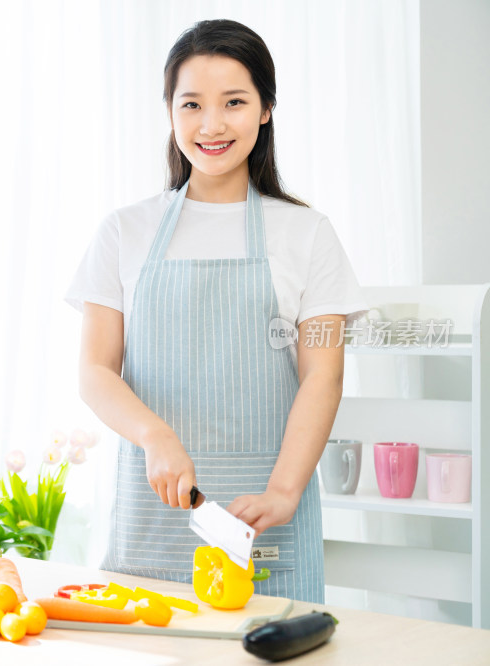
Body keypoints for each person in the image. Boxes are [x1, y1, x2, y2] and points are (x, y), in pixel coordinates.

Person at [64, 19, 368, 603]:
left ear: (265, 110)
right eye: (191, 105)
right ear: (170, 113)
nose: (211, 125)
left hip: (263, 519)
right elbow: (94, 372)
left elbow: (322, 376)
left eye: (234, 102)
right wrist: (155, 436)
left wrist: (283, 491)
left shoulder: (308, 235)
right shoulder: (124, 232)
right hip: (153, 514)